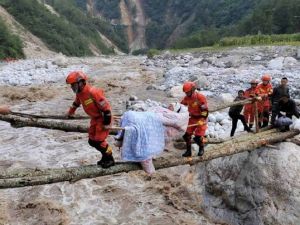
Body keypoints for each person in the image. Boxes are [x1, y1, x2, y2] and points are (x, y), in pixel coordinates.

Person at [66, 71, 115, 168]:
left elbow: (107, 109)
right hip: (94, 119)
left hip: (103, 118)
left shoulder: (93, 92)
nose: (72, 87)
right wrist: (70, 112)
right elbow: (76, 103)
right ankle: (105, 156)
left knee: (99, 141)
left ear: (81, 82)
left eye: (74, 85)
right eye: (71, 85)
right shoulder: (79, 93)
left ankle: (110, 158)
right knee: (92, 141)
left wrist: (107, 123)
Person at [180, 81, 208, 157]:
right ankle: (188, 151)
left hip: (201, 118)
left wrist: (202, 119)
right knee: (186, 135)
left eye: (187, 92)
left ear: (192, 90)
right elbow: (181, 105)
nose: (186, 94)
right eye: (185, 92)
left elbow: (205, 110)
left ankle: (201, 148)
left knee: (197, 137)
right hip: (192, 118)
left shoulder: (200, 97)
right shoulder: (186, 98)